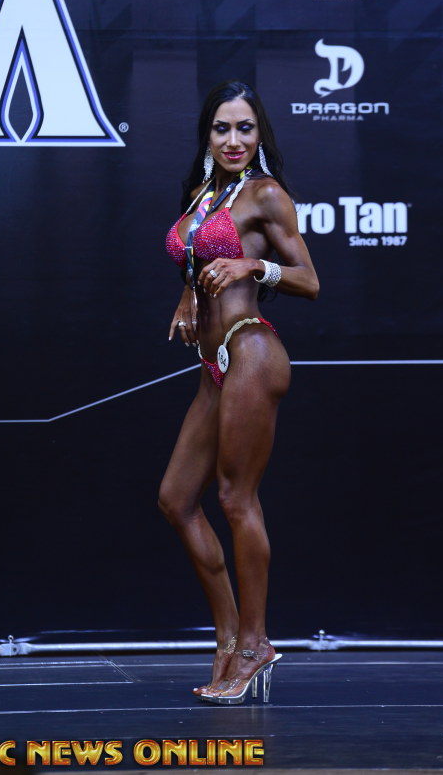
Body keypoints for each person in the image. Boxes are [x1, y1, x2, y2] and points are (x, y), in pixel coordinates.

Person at [159, 80, 319, 705]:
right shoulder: (205, 195)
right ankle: (228, 635)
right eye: (222, 128)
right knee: (176, 499)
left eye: (245, 128)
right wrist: (188, 296)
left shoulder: (266, 194)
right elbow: (198, 257)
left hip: (251, 349)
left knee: (234, 497)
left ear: (259, 135)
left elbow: (310, 280)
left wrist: (255, 266)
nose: (233, 140)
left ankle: (255, 644)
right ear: (207, 134)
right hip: (214, 362)